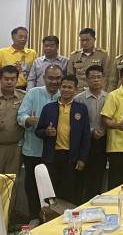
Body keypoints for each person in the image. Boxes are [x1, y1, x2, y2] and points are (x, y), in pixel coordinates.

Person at [35, 74, 90, 205]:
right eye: (64, 86)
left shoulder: (81, 109)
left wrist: (82, 158)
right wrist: (46, 132)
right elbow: (38, 131)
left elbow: (86, 136)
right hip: (52, 157)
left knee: (69, 192)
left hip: (72, 158)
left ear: (75, 90)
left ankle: (68, 216)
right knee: (52, 193)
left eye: (70, 87)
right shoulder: (48, 108)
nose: (66, 89)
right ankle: (52, 216)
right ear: (59, 88)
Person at [17, 64, 61, 219]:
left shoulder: (63, 95)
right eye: (51, 78)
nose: (54, 81)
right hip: (33, 150)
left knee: (52, 188)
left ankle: (51, 220)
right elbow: (20, 115)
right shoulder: (33, 93)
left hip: (54, 152)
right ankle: (34, 219)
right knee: (32, 187)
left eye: (57, 78)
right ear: (44, 78)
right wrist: (28, 119)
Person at [73, 64, 108, 201]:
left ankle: (95, 205)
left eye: (99, 77)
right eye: (93, 77)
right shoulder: (79, 99)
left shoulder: (109, 97)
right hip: (84, 142)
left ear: (103, 79)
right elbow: (76, 124)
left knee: (97, 176)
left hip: (102, 142)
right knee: (81, 178)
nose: (96, 80)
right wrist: (91, 131)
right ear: (87, 80)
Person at [0, 66, 24, 218]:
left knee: (10, 184)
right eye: (6, 79)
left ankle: (6, 220)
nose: (9, 82)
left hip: (14, 148)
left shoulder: (23, 97)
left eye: (12, 79)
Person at [67, 27, 111, 94]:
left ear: (94, 39)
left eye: (87, 40)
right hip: (78, 92)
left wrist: (102, 92)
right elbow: (70, 77)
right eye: (82, 40)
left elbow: (106, 76)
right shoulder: (74, 55)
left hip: (96, 92)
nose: (84, 43)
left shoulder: (102, 55)